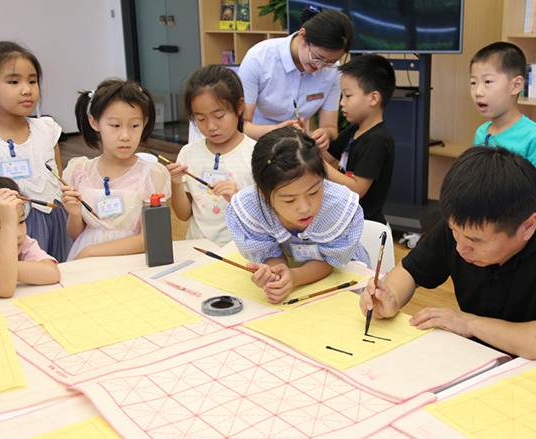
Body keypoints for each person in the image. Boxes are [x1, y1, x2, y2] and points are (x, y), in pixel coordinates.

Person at [359, 146, 536, 364]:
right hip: (476, 362)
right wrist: (390, 297)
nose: (461, 247)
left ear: (527, 227)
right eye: (453, 230)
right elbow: (411, 270)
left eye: (475, 241)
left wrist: (469, 323)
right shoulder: (465, 224)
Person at [0, 41, 71, 262]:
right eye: (14, 82)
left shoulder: (48, 129)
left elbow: (58, 180)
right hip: (11, 233)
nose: (27, 90)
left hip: (57, 221)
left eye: (32, 81)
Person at [226, 126, 369, 303]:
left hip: (342, 276)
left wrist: (294, 277)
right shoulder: (253, 207)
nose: (304, 208)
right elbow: (271, 254)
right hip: (296, 277)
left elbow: (329, 261)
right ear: (263, 194)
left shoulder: (336, 206)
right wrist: (276, 275)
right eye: (289, 200)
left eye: (314, 192)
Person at [61, 79, 171, 261]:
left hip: (130, 260)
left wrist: (91, 252)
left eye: (134, 126)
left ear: (145, 122)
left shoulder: (151, 174)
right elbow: (75, 234)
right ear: (94, 122)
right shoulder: (80, 171)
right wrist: (74, 214)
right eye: (115, 126)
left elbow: (150, 238)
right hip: (86, 260)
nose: (125, 136)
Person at [238, 6, 353, 149]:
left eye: (330, 61)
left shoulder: (333, 70)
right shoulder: (259, 58)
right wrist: (278, 132)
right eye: (318, 57)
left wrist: (326, 134)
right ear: (302, 36)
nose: (320, 66)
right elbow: (241, 125)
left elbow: (330, 127)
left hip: (298, 152)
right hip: (255, 146)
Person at [167, 65, 255, 245]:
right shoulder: (189, 153)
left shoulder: (255, 154)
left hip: (240, 251)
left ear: (239, 107)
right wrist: (176, 183)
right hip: (197, 249)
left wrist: (237, 197)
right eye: (200, 119)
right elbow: (183, 215)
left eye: (219, 116)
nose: (211, 126)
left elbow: (267, 216)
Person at [470, 41, 536, 203]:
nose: (478, 92)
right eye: (473, 83)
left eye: (488, 82)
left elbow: (533, 198)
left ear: (516, 86)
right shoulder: (481, 133)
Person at [324, 54, 395, 224]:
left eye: (348, 96)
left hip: (366, 225)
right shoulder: (354, 130)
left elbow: (357, 189)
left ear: (373, 98)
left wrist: (320, 167)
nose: (342, 103)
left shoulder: (377, 141)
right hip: (346, 220)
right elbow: (325, 156)